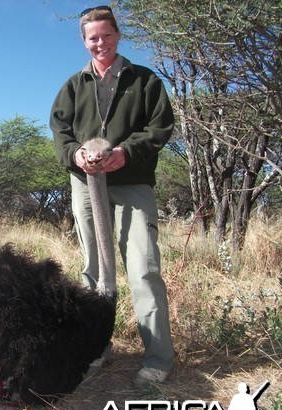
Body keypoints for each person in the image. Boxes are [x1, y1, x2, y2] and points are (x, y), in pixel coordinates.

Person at [49, 5, 175, 387]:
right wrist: (75, 154)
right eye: (92, 38)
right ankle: (96, 350)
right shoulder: (74, 85)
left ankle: (158, 359)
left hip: (132, 184)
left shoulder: (145, 80)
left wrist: (124, 153)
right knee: (93, 271)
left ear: (117, 35)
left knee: (143, 269)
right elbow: (60, 131)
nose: (99, 43)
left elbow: (160, 127)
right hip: (87, 187)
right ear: (84, 41)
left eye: (106, 35)